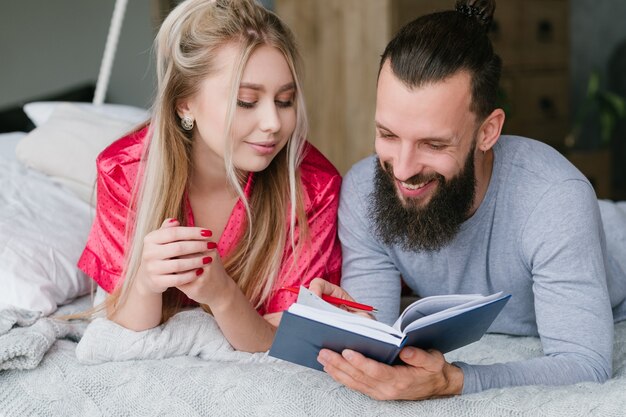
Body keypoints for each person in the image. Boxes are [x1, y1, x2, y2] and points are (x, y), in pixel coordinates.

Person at [309, 0, 626, 400]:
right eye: (388, 135)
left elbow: (586, 363)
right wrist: (341, 323)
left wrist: (453, 381)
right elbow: (380, 338)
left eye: (433, 143)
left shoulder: (556, 199)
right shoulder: (365, 190)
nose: (403, 170)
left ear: (488, 131)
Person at [77, 0, 342, 353]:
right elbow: (121, 332)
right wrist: (144, 283)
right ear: (184, 103)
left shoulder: (313, 187)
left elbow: (285, 344)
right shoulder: (123, 171)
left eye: (285, 100)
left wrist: (222, 293)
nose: (274, 124)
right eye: (246, 101)